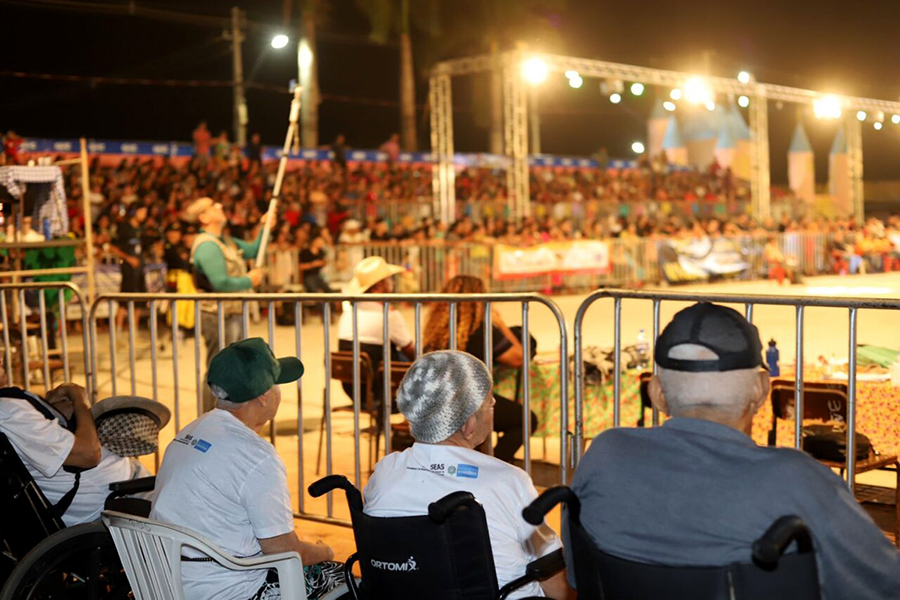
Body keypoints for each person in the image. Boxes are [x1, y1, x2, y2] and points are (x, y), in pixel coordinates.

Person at [567, 302, 900, 599]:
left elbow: (574, 571)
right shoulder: (796, 479)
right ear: (761, 389)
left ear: (657, 394)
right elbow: (885, 586)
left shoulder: (606, 454)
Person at [364, 351, 571, 599]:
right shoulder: (507, 480)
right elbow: (556, 584)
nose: (493, 409)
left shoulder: (385, 472)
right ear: (469, 423)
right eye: (490, 404)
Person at [151, 338, 345, 600]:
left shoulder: (190, 431)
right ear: (263, 396)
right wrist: (325, 551)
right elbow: (284, 552)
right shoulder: (257, 457)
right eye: (277, 384)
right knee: (344, 578)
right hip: (227, 589)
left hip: (164, 581)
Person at [0, 355, 150, 526]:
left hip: (124, 486)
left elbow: (39, 439)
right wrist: (80, 400)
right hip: (115, 501)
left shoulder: (9, 405)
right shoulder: (7, 411)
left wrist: (50, 410)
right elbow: (88, 455)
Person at [422, 275, 537, 463]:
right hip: (468, 404)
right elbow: (519, 357)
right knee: (526, 420)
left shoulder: (437, 331)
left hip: (437, 401)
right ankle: (495, 465)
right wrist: (499, 322)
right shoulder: (481, 330)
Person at [185, 197, 268, 413]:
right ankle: (209, 415)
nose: (220, 206)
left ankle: (227, 414)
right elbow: (220, 282)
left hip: (232, 312)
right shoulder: (207, 246)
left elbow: (252, 250)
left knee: (232, 367)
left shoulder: (225, 241)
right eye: (213, 206)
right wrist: (250, 280)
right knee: (218, 369)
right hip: (217, 315)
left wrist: (264, 227)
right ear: (203, 217)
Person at [337, 256, 413, 408]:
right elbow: (411, 350)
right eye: (390, 279)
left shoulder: (349, 312)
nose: (393, 282)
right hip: (383, 392)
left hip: (353, 390)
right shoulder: (388, 315)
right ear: (380, 286)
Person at [109, 205, 148, 336]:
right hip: (128, 269)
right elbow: (112, 247)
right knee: (124, 300)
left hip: (140, 269)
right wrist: (128, 259)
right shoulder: (123, 228)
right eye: (142, 210)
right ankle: (118, 330)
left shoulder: (143, 229)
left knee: (139, 300)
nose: (144, 214)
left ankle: (134, 330)